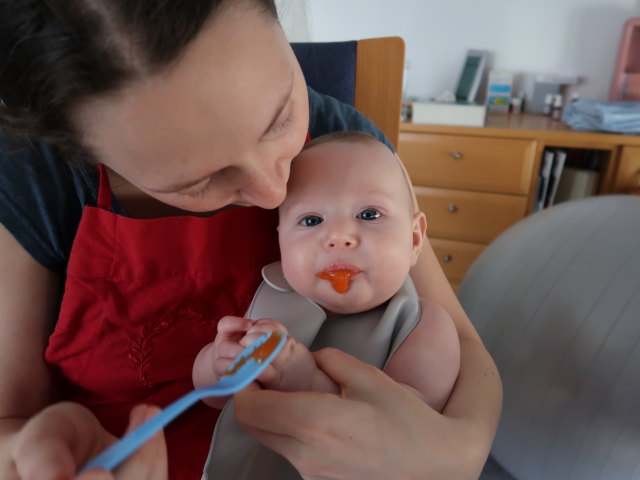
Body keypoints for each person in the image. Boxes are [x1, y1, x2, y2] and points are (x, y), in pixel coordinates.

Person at [0, 2, 502, 480]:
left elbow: (462, 346)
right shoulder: (33, 178)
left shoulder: (350, 150)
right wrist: (29, 456)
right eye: (196, 182)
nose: (273, 191)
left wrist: (458, 451)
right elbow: (10, 416)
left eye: (281, 116)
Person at [194, 131, 461, 478]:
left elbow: (405, 436)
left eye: (368, 214)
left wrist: (305, 379)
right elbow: (214, 398)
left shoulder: (424, 325)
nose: (337, 237)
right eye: (311, 221)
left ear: (414, 239)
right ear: (281, 242)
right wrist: (217, 365)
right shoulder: (272, 294)